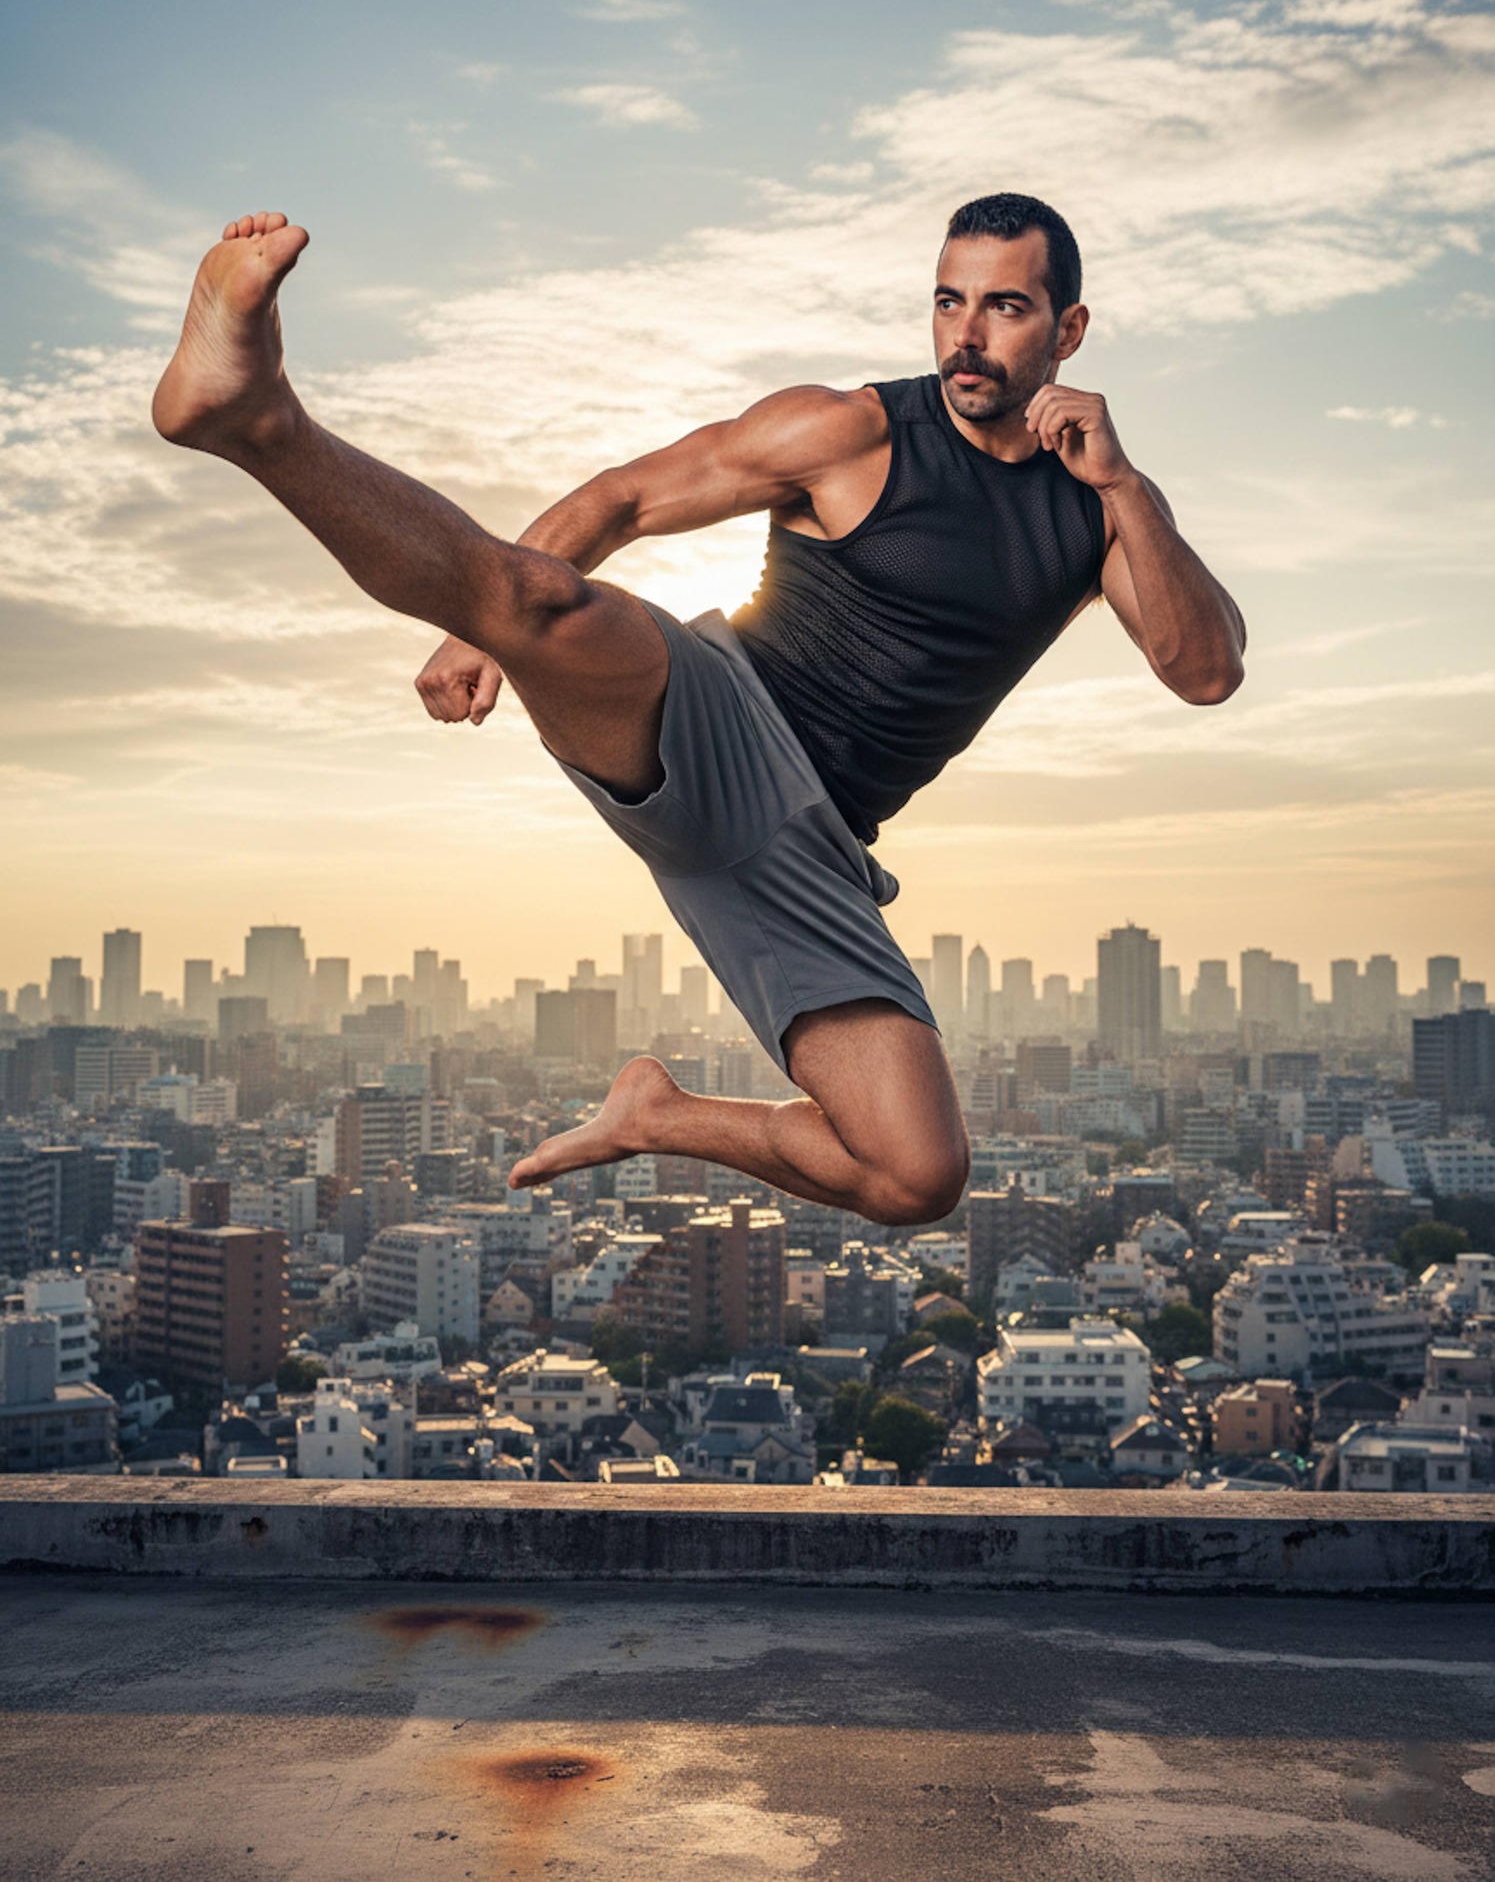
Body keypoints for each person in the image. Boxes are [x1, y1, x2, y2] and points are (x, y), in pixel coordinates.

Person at [152, 193, 1244, 1230]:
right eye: (948, 300)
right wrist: (483, 628)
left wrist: (1128, 489)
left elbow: (1204, 670)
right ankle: (255, 419)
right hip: (719, 715)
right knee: (540, 599)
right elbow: (620, 499)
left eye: (1005, 307)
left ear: (1069, 330)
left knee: (917, 1174)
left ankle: (654, 1113)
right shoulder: (850, 430)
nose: (965, 334)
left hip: (811, 852)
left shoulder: (1096, 513)